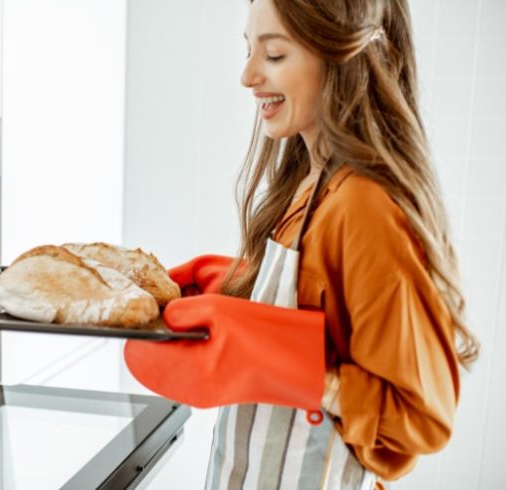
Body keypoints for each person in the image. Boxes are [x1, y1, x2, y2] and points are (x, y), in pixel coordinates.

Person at [123, 0, 479, 488]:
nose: (248, 76)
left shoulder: (365, 206)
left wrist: (297, 370)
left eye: (273, 56)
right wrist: (235, 285)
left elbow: (422, 418)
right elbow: (328, 308)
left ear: (343, 59)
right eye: (249, 50)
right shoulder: (309, 179)